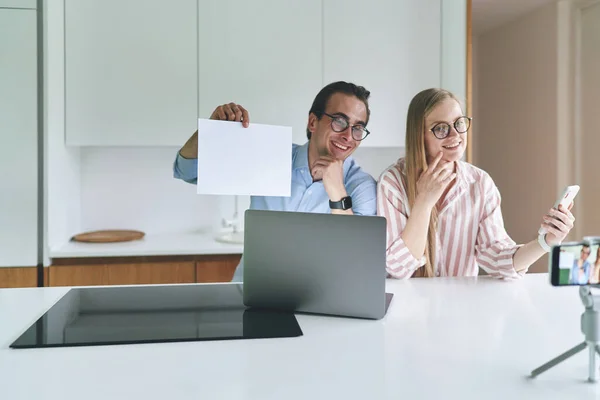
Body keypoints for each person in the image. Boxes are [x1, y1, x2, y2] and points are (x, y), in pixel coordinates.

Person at [173, 81, 377, 281]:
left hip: (318, 302)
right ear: (313, 122)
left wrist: (337, 191)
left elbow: (356, 259)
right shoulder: (270, 157)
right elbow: (187, 171)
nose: (349, 136)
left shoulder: (361, 185)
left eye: (358, 128)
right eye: (339, 121)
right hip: (253, 292)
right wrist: (210, 131)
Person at [377, 88, 576, 279]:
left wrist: (546, 242)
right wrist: (424, 202)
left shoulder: (480, 183)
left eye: (459, 123)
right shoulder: (392, 183)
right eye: (441, 128)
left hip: (460, 308)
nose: (455, 135)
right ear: (419, 135)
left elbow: (497, 257)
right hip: (407, 308)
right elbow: (397, 269)